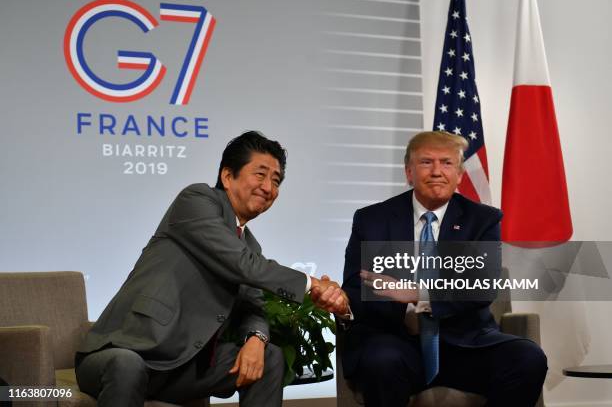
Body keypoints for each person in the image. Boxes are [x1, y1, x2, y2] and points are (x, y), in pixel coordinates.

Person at [75, 131, 348, 407]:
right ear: (228, 177)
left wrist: (256, 339)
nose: (268, 187)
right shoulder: (196, 201)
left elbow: (253, 307)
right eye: (260, 174)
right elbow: (241, 264)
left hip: (180, 369)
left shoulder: (250, 245)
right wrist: (312, 284)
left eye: (276, 181)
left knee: (271, 357)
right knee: (126, 364)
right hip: (124, 351)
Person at [341, 131, 547, 407]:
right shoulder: (372, 219)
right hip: (397, 341)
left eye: (447, 163)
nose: (437, 171)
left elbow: (482, 288)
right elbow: (356, 287)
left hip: (467, 344)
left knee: (527, 357)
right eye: (426, 162)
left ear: (460, 173)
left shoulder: (483, 219)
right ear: (409, 171)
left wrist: (417, 293)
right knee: (381, 360)